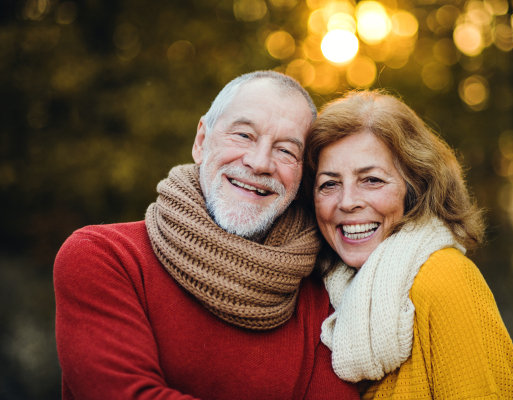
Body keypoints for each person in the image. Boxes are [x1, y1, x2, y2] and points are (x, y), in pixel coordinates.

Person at [54, 71, 360, 400]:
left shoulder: (320, 295)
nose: (259, 163)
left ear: (302, 176)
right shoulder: (105, 257)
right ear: (201, 141)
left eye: (285, 151)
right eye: (243, 135)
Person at [303, 90, 513, 400]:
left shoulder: (445, 277)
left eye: (371, 180)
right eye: (329, 184)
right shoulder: (328, 292)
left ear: (416, 188)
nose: (347, 202)